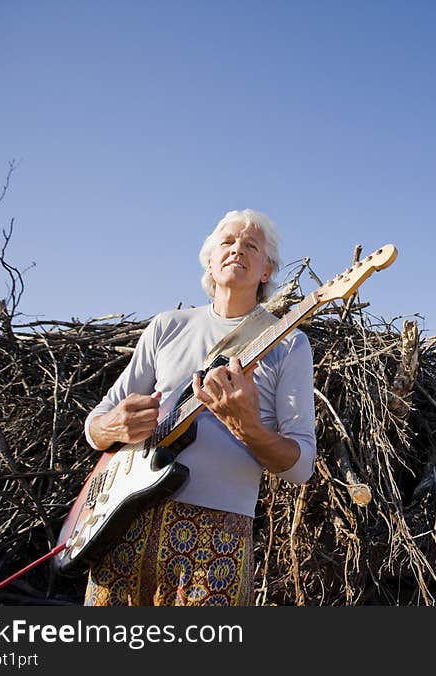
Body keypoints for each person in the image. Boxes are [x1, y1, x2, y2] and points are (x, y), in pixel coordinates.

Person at [81, 208, 316, 606]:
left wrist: (248, 429)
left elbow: (301, 465)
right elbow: (95, 426)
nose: (237, 249)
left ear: (266, 271)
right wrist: (114, 427)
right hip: (121, 525)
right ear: (209, 259)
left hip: (216, 540)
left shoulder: (288, 344)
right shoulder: (166, 326)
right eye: (227, 241)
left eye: (251, 245)